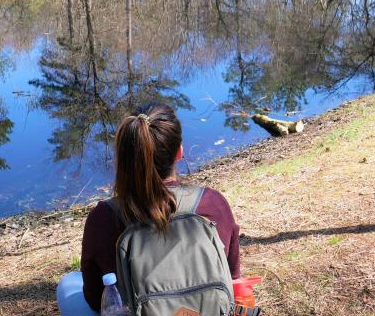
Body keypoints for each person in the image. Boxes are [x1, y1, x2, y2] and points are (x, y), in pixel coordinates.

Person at [56, 103, 241, 315]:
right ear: (179, 152)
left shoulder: (103, 218)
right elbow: (233, 278)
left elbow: (94, 298)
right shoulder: (213, 203)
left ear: (124, 159)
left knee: (68, 284)